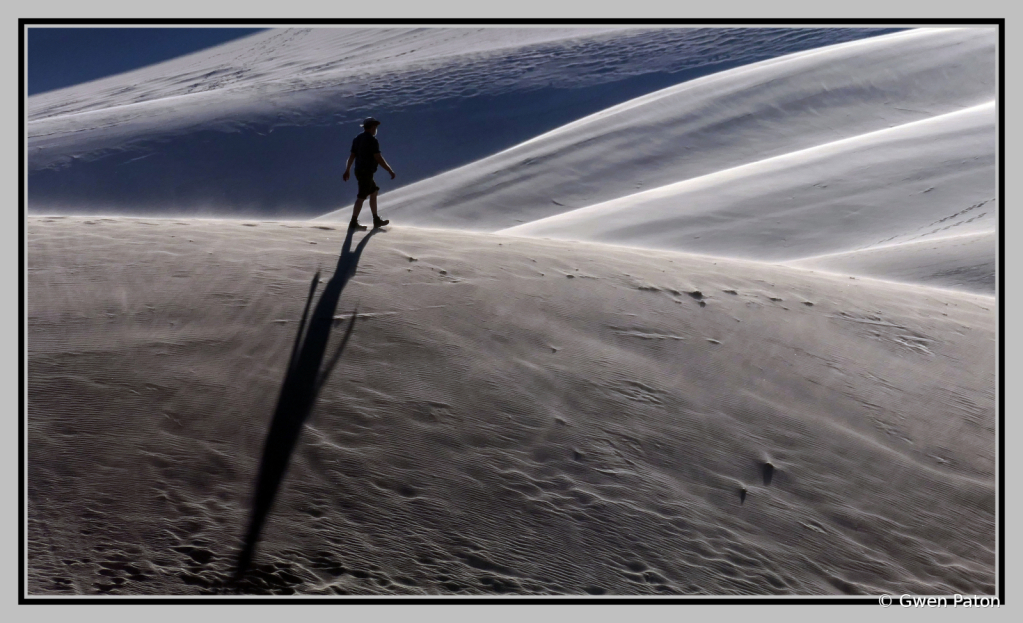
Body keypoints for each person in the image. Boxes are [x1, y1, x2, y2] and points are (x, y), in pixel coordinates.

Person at [342, 117, 396, 230]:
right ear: (371, 127)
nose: (376, 129)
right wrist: (389, 170)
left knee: (374, 192)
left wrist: (347, 170)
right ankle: (353, 223)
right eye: (375, 126)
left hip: (359, 171)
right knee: (361, 196)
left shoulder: (357, 139)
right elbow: (378, 157)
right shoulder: (372, 140)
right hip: (366, 171)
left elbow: (352, 156)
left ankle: (376, 220)